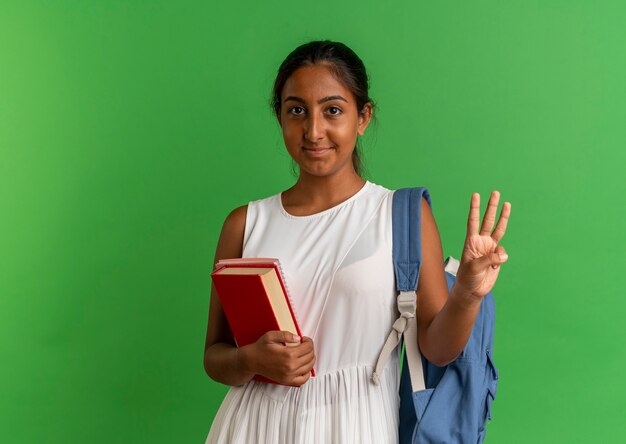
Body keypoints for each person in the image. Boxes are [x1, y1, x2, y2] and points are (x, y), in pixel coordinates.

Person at [203, 40, 511, 444]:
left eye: (333, 110)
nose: (313, 130)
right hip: (251, 427)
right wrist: (248, 359)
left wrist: (468, 292)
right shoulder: (243, 224)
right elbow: (214, 355)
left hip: (355, 426)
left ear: (363, 117)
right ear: (279, 115)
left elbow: (437, 350)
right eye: (297, 110)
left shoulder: (401, 215)